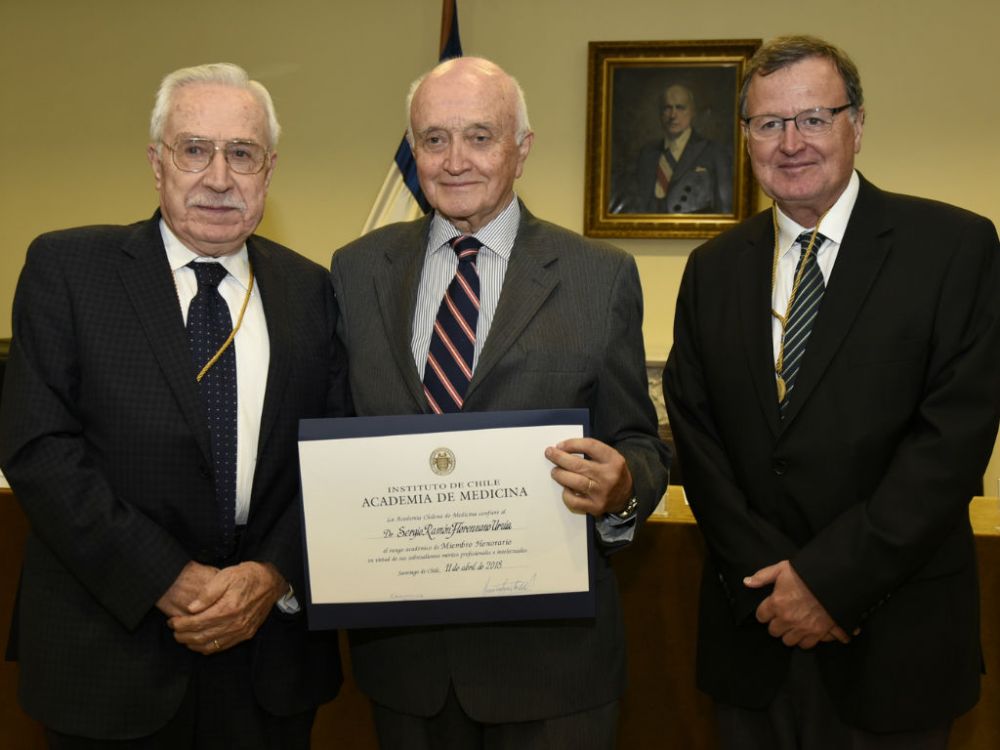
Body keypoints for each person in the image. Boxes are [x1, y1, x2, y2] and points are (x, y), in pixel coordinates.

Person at [663, 35, 1000, 749]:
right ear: (746, 135)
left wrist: (826, 585)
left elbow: (950, 447)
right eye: (769, 123)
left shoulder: (954, 248)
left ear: (858, 123)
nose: (792, 143)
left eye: (814, 118)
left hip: (895, 642)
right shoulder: (712, 269)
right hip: (751, 640)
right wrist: (774, 586)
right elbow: (697, 438)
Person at [0, 63, 348, 747]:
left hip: (267, 665)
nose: (219, 178)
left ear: (269, 170)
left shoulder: (311, 290)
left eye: (241, 154)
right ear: (157, 162)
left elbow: (333, 456)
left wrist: (271, 572)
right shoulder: (70, 271)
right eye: (194, 149)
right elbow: (39, 449)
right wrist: (165, 577)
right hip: (107, 655)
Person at [330, 56, 669, 749]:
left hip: (553, 669)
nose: (455, 160)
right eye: (434, 139)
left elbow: (639, 442)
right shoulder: (355, 270)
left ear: (522, 147)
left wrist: (623, 483)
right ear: (412, 149)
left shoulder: (598, 277)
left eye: (480, 137)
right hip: (407, 668)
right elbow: (334, 437)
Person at [624, 83, 732, 214]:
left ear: (692, 112)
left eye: (680, 108)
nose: (673, 115)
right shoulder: (647, 153)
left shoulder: (714, 151)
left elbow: (724, 209)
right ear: (660, 113)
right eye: (667, 108)